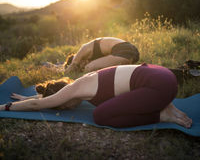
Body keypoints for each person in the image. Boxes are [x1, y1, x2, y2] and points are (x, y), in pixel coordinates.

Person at [0, 64, 192, 129]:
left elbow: (39, 105)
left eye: (62, 106)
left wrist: (5, 107)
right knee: (118, 103)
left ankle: (161, 114)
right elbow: (46, 99)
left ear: (63, 96)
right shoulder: (83, 80)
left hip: (159, 87)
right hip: (163, 76)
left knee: (101, 115)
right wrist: (27, 98)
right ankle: (164, 104)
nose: (67, 108)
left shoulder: (72, 90)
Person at [64, 37, 140, 73]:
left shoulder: (84, 49)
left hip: (124, 50)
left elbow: (74, 63)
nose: (83, 64)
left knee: (88, 68)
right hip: (131, 53)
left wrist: (68, 70)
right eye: (81, 67)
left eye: (80, 64)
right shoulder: (94, 59)